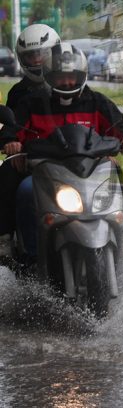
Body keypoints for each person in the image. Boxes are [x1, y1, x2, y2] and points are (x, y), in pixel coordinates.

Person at [7, 43, 123, 266]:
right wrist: (11, 142)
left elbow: (120, 124)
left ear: (82, 76)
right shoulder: (33, 103)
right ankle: (32, 254)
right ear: (49, 77)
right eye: (60, 77)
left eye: (72, 76)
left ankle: (120, 231)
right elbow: (14, 129)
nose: (67, 82)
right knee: (26, 190)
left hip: (90, 170)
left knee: (114, 174)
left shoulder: (96, 101)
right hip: (46, 171)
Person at [0, 24, 62, 256]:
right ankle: (6, 236)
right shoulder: (19, 93)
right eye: (31, 55)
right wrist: (11, 143)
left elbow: (93, 114)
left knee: (110, 172)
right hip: (33, 161)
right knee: (12, 178)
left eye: (42, 54)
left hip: (73, 158)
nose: (37, 60)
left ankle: (117, 227)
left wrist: (110, 142)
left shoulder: (72, 82)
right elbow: (11, 124)